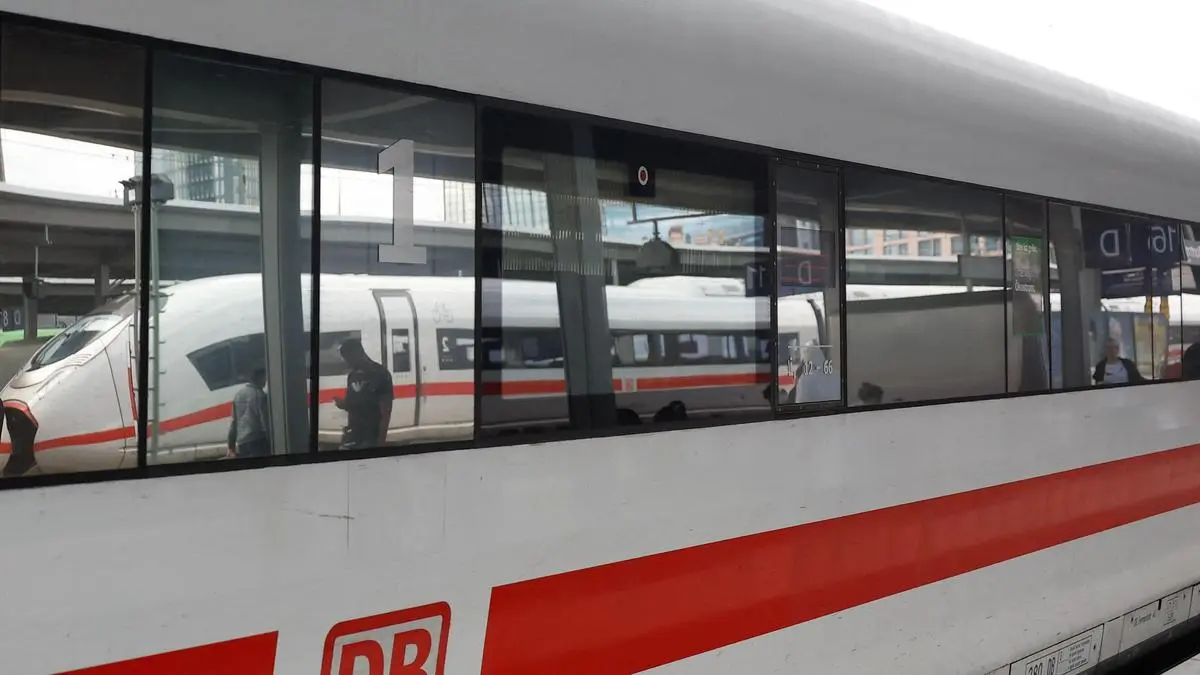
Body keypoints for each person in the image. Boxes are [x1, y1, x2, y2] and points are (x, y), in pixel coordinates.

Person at [333, 338, 393, 449]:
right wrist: (344, 404)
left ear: (358, 353)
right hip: (354, 436)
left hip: (371, 438)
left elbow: (385, 413)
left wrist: (380, 443)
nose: (348, 363)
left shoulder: (381, 374)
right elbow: (354, 404)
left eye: (348, 359)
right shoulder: (352, 376)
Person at [227, 367, 270, 458]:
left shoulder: (238, 395)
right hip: (257, 440)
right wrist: (270, 438)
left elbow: (234, 422)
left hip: (242, 442)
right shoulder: (260, 395)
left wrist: (231, 445)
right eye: (264, 377)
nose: (265, 381)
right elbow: (264, 419)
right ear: (258, 378)